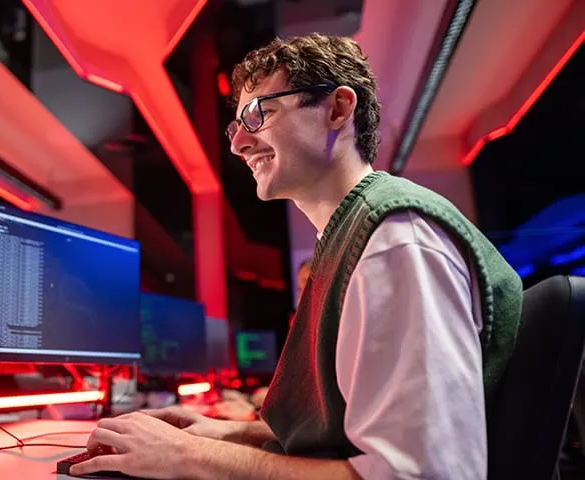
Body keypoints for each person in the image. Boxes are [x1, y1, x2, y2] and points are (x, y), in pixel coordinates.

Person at [70, 33, 522, 479]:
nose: (238, 145)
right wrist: (222, 434)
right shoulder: (348, 239)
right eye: (236, 126)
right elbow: (344, 434)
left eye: (259, 114)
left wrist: (190, 457)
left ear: (338, 109)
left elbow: (422, 475)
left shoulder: (394, 242)